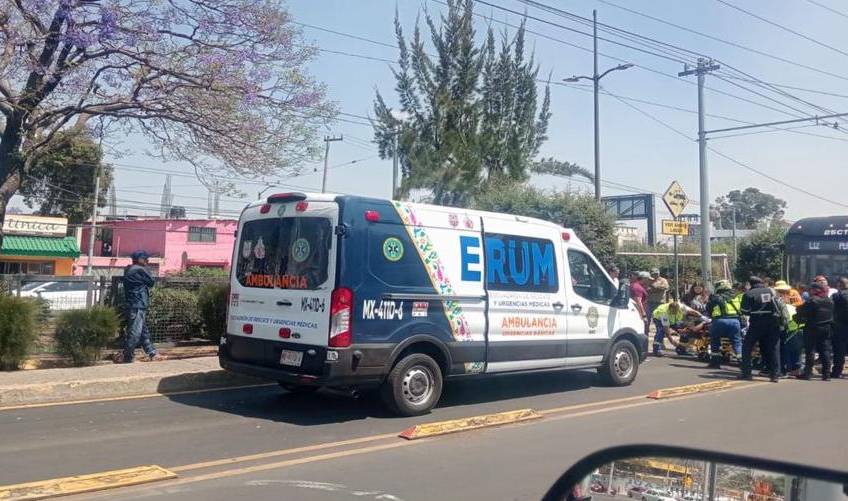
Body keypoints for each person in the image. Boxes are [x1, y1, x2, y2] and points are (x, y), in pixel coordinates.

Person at [120, 251, 163, 363]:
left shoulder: (130, 269)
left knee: (143, 331)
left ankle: (152, 353)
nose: (148, 261)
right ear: (139, 259)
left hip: (136, 304)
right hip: (137, 304)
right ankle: (127, 355)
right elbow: (151, 282)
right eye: (146, 259)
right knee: (136, 332)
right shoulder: (139, 269)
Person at [739, 276, 782, 382]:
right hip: (772, 323)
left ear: (750, 284)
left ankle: (746, 373)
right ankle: (775, 375)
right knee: (773, 349)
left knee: (747, 347)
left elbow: (744, 310)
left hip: (756, 323)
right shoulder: (771, 291)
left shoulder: (749, 294)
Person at [795, 282, 834, 381]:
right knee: (825, 350)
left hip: (813, 327)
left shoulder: (813, 300)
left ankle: (807, 374)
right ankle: (826, 375)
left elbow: (802, 311)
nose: (810, 291)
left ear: (816, 290)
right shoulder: (829, 301)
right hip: (826, 327)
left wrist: (797, 314)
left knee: (810, 350)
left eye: (811, 289)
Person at [705, 280, 743, 369]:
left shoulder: (715, 297)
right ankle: (742, 363)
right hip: (735, 321)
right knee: (737, 342)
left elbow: (709, 309)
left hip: (719, 321)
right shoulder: (737, 295)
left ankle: (715, 362)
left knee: (715, 342)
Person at [775, 281, 803, 377]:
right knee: (796, 351)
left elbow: (785, 319)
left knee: (788, 351)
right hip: (798, 329)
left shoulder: (783, 305)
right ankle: (796, 369)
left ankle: (788, 370)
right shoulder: (792, 305)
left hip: (791, 331)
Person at [831, 277, 848, 379]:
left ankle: (837, 372)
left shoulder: (836, 295)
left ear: (839, 285)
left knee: (839, 351)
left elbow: (830, 308)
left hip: (840, 327)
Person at [630, 271, 651, 336]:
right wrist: (643, 315)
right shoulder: (637, 287)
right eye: (648, 279)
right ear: (644, 278)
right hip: (639, 313)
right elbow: (638, 302)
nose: (649, 281)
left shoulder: (635, 285)